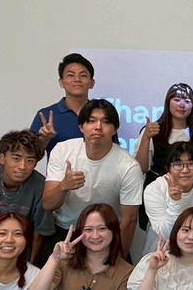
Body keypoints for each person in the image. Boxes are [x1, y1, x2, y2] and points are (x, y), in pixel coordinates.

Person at [42, 99, 143, 256]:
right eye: (91, 121)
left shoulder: (129, 166)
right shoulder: (62, 150)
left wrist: (118, 258)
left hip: (106, 234)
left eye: (105, 122)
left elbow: (129, 220)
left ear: (115, 129)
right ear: (81, 127)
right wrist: (63, 186)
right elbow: (48, 204)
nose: (98, 127)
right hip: (67, 230)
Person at [142, 141, 193, 256]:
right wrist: (175, 202)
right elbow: (167, 234)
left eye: (191, 163)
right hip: (161, 253)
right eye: (178, 164)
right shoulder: (154, 189)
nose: (185, 170)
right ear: (168, 167)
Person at [134, 82, 193, 181]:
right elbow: (140, 169)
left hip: (190, 190)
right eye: (177, 100)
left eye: (187, 101)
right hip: (156, 188)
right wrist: (146, 137)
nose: (182, 105)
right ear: (168, 102)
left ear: (192, 106)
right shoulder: (152, 131)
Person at [30, 53, 95, 157]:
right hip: (58, 168)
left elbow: (114, 152)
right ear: (61, 82)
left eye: (83, 75)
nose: (77, 79)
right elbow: (30, 156)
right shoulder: (45, 115)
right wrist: (44, 140)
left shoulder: (102, 114)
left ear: (92, 83)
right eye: (70, 75)